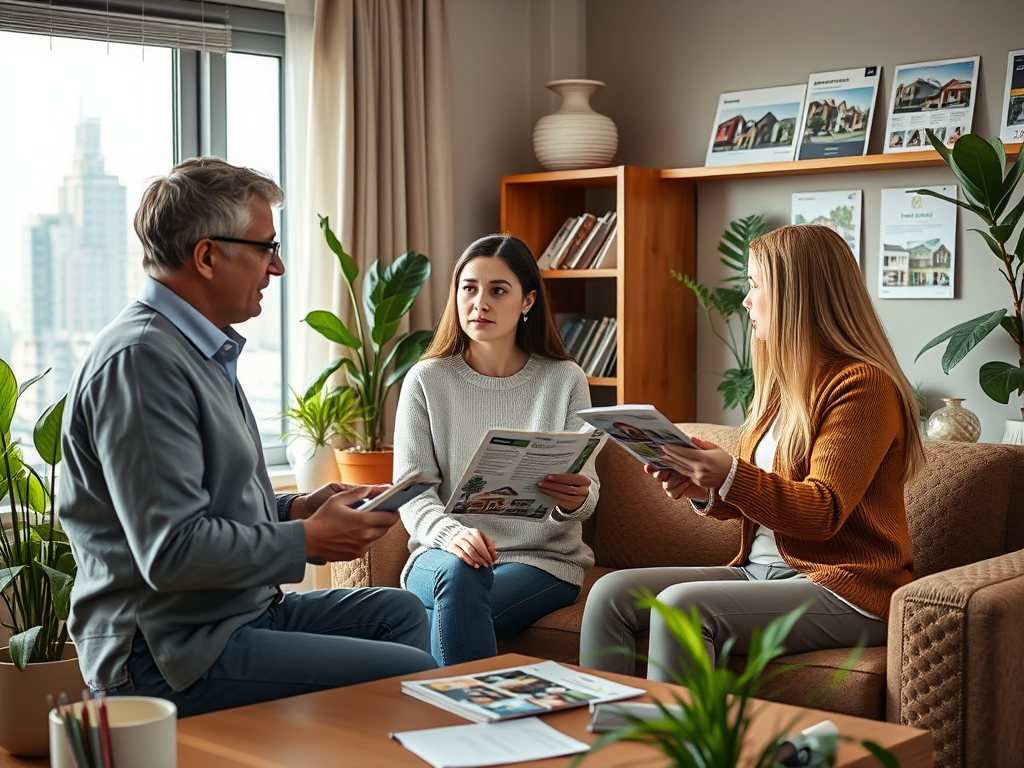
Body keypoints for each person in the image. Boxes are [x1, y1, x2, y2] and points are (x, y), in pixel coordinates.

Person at [58, 158, 436, 717]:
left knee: (398, 613)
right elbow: (170, 552)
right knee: (413, 676)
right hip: (165, 651)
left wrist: (296, 509)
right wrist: (307, 539)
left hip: (235, 616)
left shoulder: (200, 350)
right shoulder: (142, 361)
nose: (277, 267)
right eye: (266, 248)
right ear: (208, 256)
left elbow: (209, 505)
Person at [579, 224, 926, 681]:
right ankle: (608, 746)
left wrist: (728, 475)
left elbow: (822, 512)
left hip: (847, 587)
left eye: (755, 284)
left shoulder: (863, 386)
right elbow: (763, 502)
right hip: (760, 572)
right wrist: (705, 489)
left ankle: (679, 752)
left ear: (796, 296)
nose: (745, 300)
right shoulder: (781, 386)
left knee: (682, 607)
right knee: (610, 593)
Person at [393, 233, 600, 666]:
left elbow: (586, 491)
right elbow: (411, 492)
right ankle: (476, 720)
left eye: (497, 290)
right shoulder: (426, 380)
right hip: (442, 555)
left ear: (527, 302)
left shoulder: (564, 380)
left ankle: (448, 715)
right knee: (460, 575)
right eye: (468, 288)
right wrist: (454, 536)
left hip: (542, 561)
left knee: (445, 611)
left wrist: (575, 498)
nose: (479, 303)